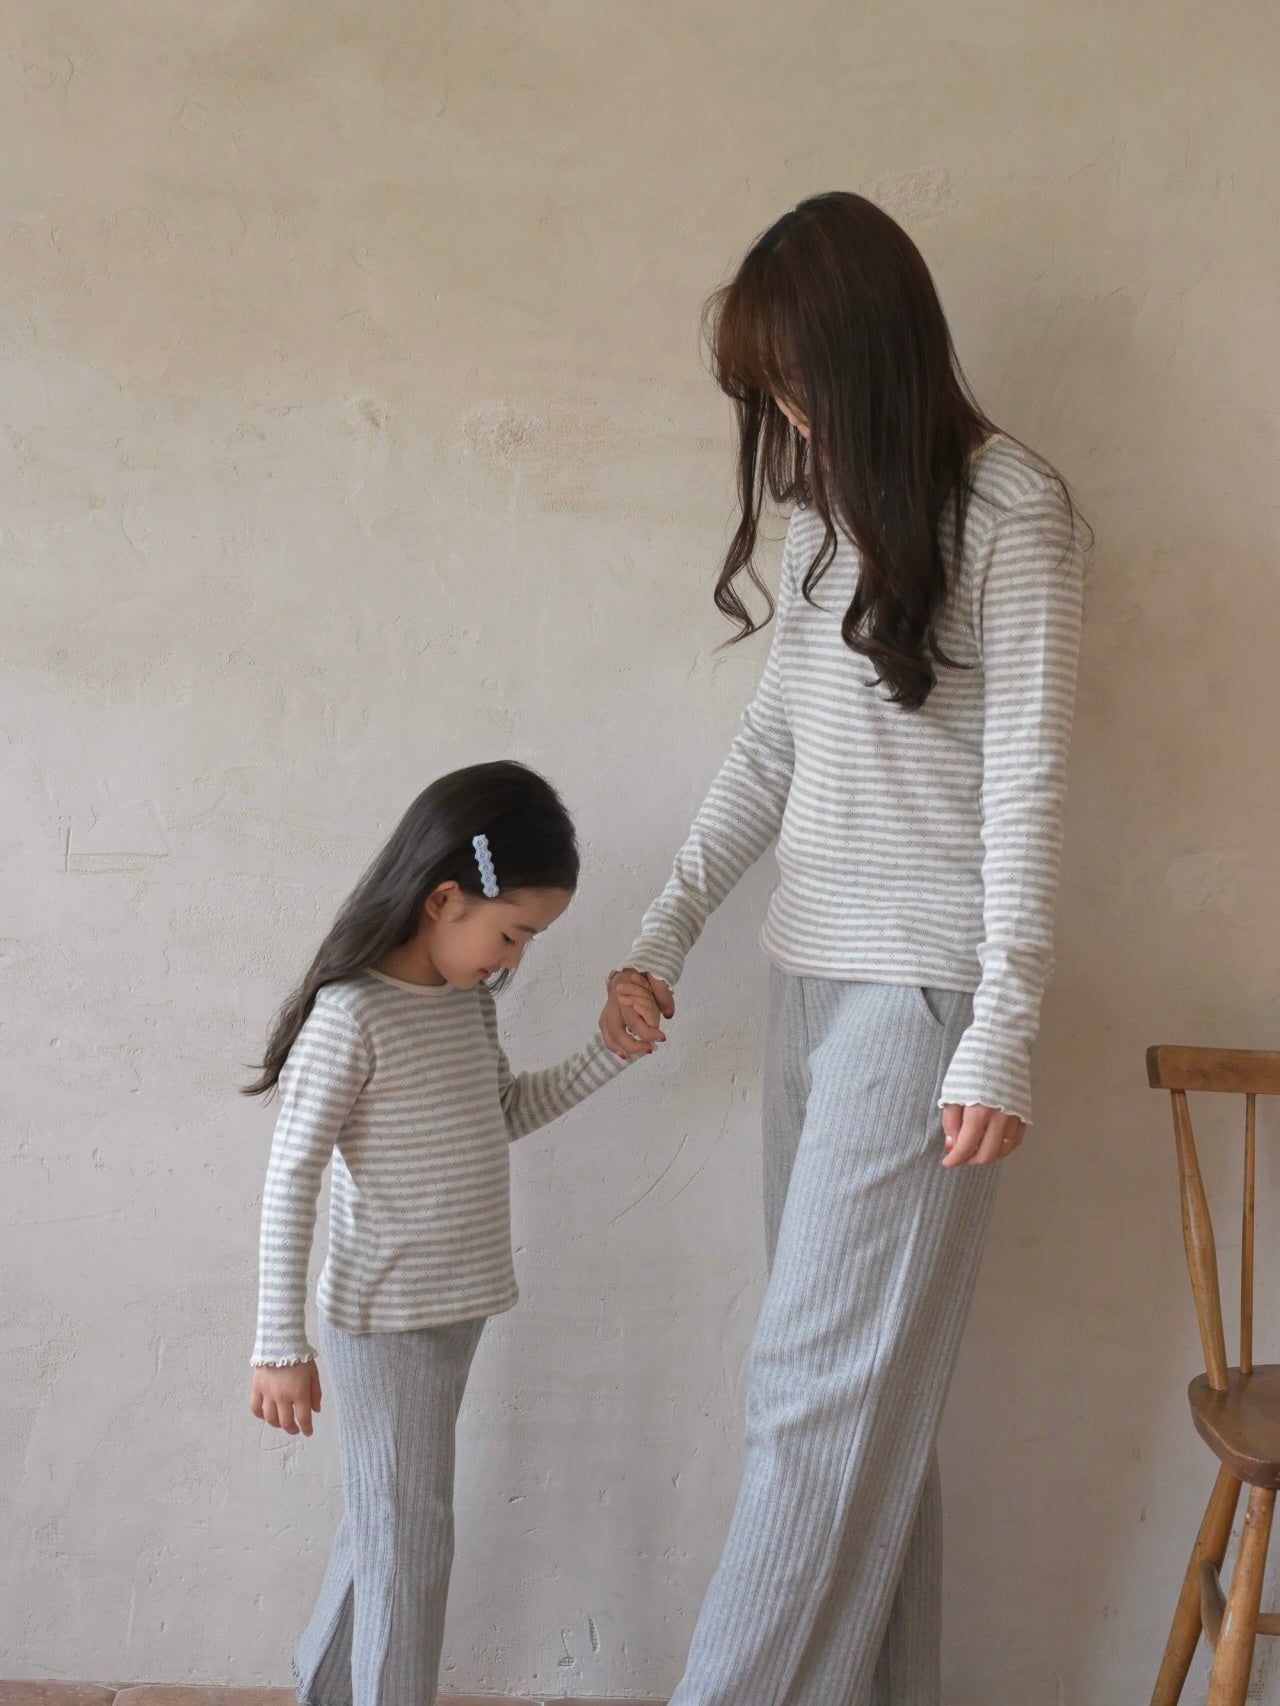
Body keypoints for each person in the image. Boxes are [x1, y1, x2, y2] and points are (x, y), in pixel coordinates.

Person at [601, 191, 1085, 1705]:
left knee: (811, 1406)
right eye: (766, 392)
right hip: (806, 978)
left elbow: (1028, 781)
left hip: (924, 1000)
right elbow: (772, 750)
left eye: (794, 379)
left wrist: (1003, 1022)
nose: (785, 415)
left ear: (868, 349)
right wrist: (666, 931)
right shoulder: (823, 515)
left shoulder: (1014, 512)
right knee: (862, 1414)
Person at [246, 760, 656, 1706]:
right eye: (512, 933)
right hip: (386, 1318)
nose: (513, 961)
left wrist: (610, 1051)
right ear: (443, 899)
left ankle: (324, 1688)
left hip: (456, 1305)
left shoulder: (465, 1004)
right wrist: (278, 1344)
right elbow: (290, 1179)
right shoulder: (352, 1017)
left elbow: (501, 1112)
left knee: (387, 1524)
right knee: (411, 1544)